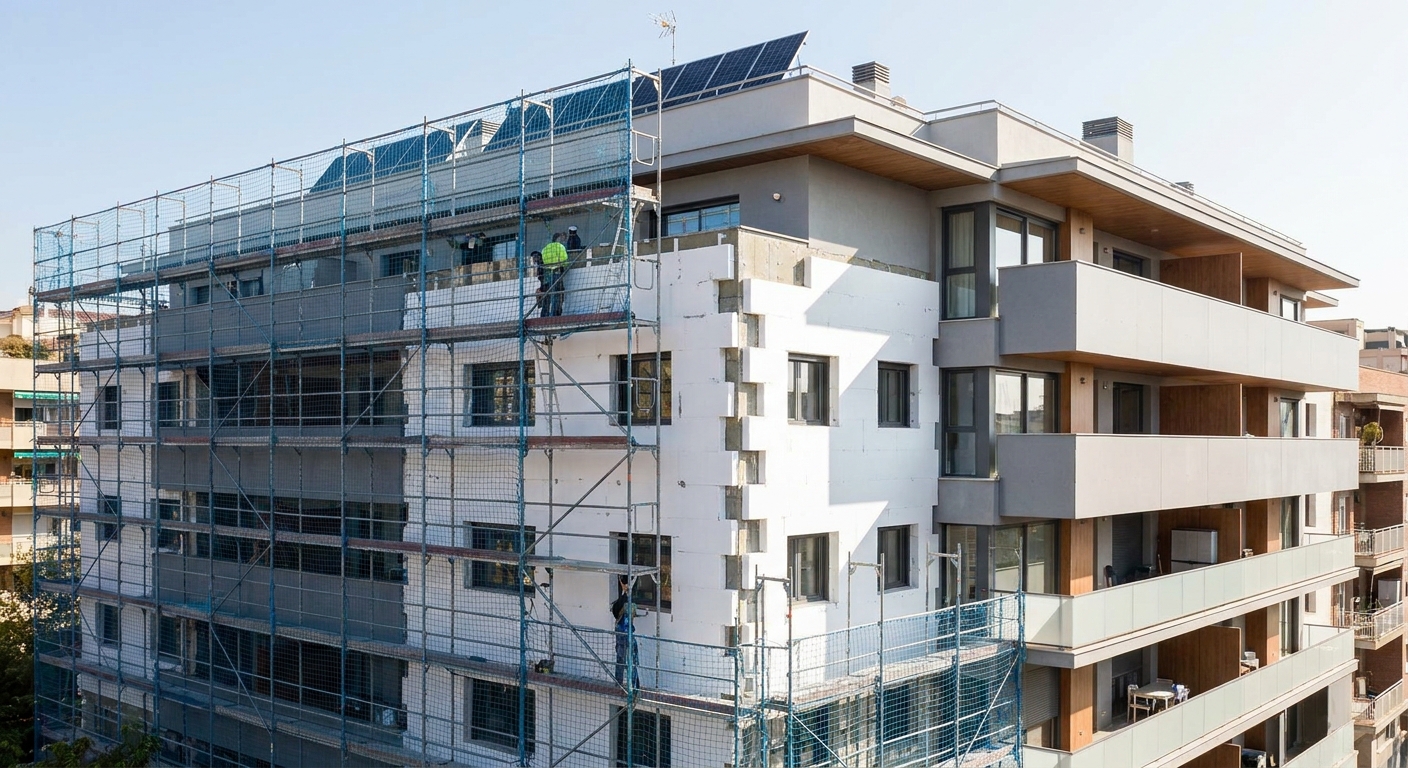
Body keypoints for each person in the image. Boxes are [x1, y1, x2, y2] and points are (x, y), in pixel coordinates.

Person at [611, 575, 640, 688]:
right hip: (627, 634)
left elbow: (616, 612)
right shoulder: (629, 600)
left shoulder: (623, 601)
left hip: (623, 634)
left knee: (622, 660)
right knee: (630, 661)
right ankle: (633, 686)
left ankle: (621, 684)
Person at [540, 233, 569, 317]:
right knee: (557, 293)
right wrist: (564, 266)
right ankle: (555, 313)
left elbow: (543, 260)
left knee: (547, 295)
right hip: (557, 272)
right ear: (558, 239)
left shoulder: (546, 248)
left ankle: (544, 314)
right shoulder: (560, 247)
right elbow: (564, 259)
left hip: (547, 274)